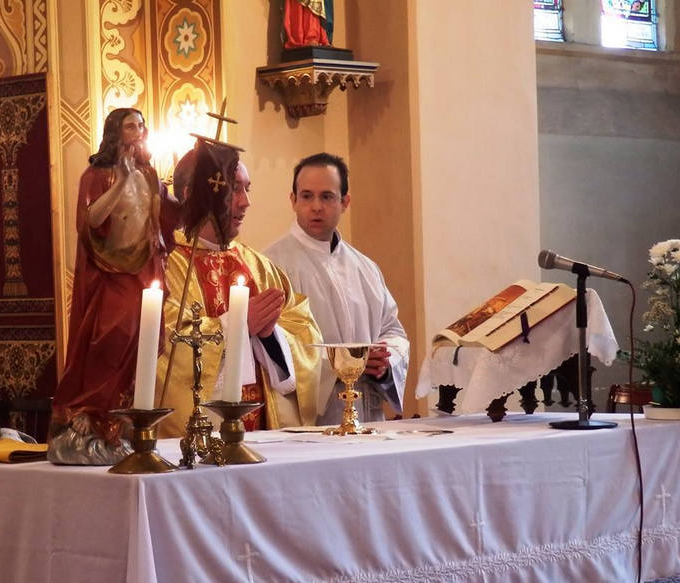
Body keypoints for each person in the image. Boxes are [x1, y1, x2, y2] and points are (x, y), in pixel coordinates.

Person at [155, 149, 322, 436]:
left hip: (264, 441)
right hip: (198, 443)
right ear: (192, 194)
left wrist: (271, 337)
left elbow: (305, 335)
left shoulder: (261, 267)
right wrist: (235, 326)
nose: (246, 202)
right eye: (234, 189)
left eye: (247, 189)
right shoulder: (164, 265)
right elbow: (161, 342)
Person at [48, 108, 179, 465]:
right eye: (131, 126)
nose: (139, 131)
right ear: (115, 133)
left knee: (139, 343)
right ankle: (88, 411)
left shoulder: (149, 173)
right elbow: (90, 220)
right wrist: (121, 179)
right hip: (111, 271)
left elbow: (164, 215)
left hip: (142, 270)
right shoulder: (96, 175)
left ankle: (120, 422)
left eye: (141, 125)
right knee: (109, 337)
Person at [265, 152, 409, 424]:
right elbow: (273, 346)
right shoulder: (272, 266)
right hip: (312, 419)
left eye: (327, 196)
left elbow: (392, 330)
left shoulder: (365, 267)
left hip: (368, 414)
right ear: (293, 200)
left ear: (345, 202)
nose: (316, 206)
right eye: (307, 196)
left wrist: (384, 361)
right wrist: (348, 362)